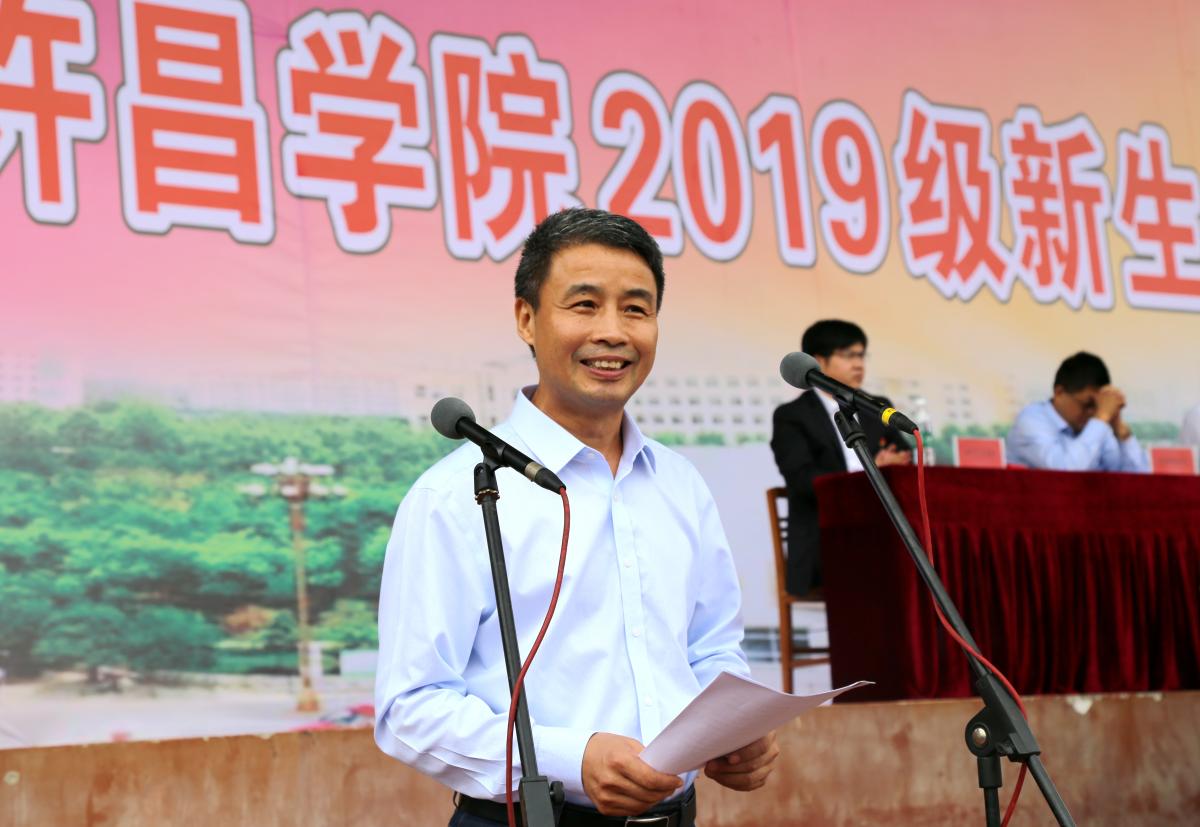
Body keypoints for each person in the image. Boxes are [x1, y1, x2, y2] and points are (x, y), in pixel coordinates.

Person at [375, 208, 778, 827]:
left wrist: (731, 728)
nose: (612, 332)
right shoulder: (456, 495)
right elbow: (410, 707)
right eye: (584, 305)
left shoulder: (680, 484)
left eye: (636, 309)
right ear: (526, 319)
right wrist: (571, 758)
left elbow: (711, 647)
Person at [770, 320, 910, 597]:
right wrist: (871, 472)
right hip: (824, 539)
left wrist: (894, 463)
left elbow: (904, 455)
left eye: (861, 355)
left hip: (880, 530)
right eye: (848, 355)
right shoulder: (792, 416)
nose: (858, 364)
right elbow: (803, 482)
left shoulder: (876, 406)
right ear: (818, 361)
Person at [1006, 351, 1149, 472]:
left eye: (1098, 406)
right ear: (1059, 392)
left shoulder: (1097, 426)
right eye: (1087, 404)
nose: (1092, 413)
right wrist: (1102, 416)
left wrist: (1121, 431)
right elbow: (1065, 473)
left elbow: (1138, 481)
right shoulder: (1031, 420)